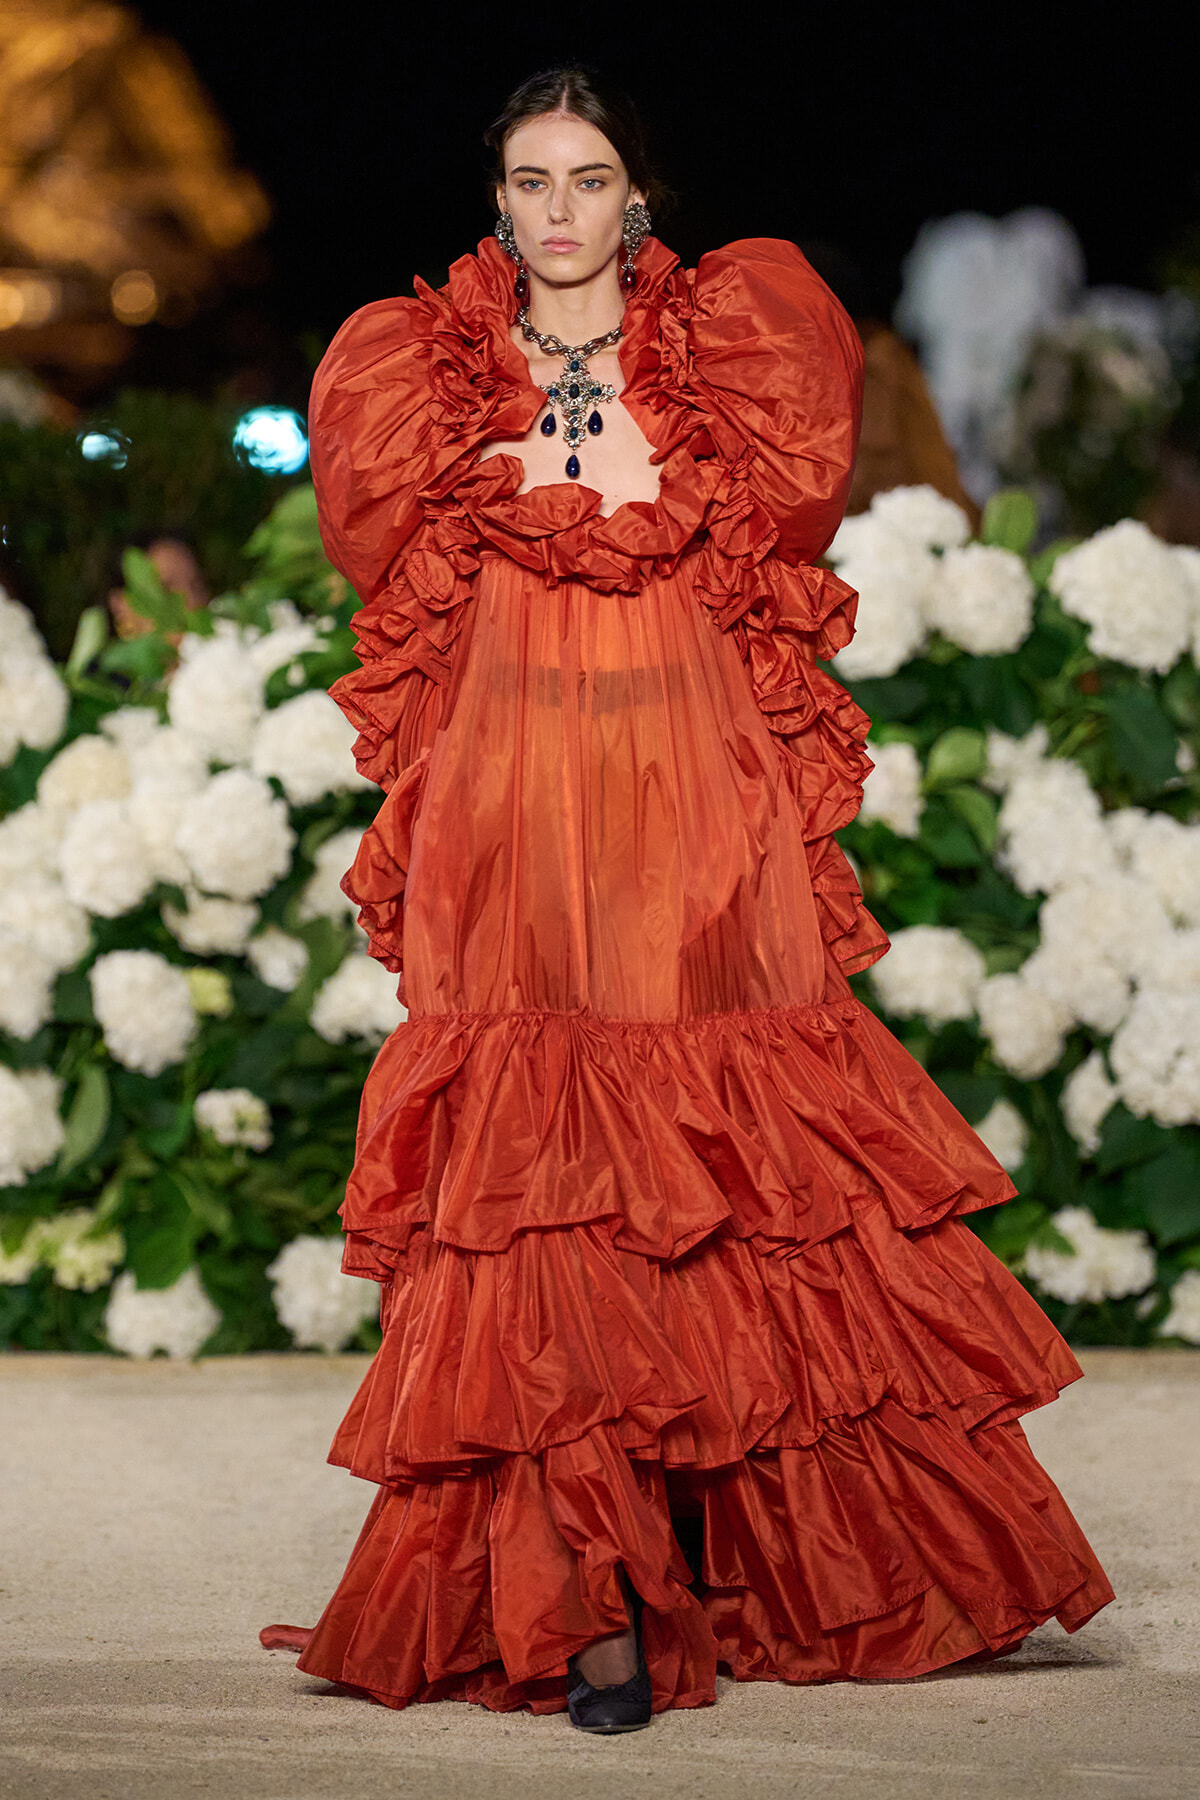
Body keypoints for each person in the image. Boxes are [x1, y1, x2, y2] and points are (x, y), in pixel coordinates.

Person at [261, 65, 1113, 1734]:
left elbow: (790, 512)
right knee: (546, 1191)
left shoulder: (735, 347)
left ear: (635, 197)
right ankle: (591, 1601)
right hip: (512, 815)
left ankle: (775, 1564)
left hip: (693, 803)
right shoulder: (419, 375)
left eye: (587, 178)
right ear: (497, 204)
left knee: (732, 1173)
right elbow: (392, 565)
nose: (560, 209)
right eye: (530, 181)